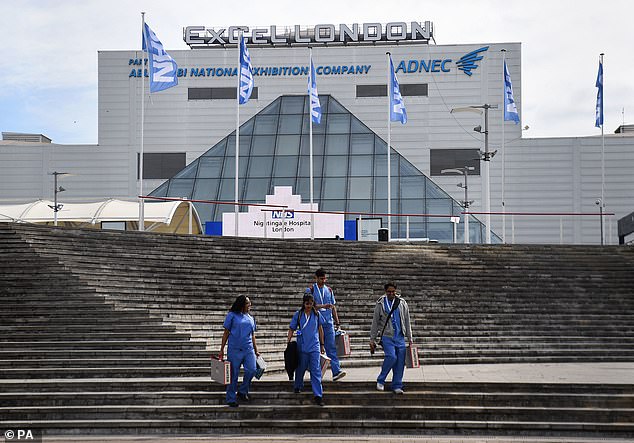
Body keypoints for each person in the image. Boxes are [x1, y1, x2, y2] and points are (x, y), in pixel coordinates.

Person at [369, 282, 413, 394]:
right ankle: (381, 379)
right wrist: (372, 338)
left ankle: (397, 385)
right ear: (385, 292)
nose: (391, 293)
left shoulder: (402, 303)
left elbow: (407, 321)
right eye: (389, 291)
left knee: (400, 362)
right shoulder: (380, 303)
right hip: (387, 336)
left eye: (393, 291)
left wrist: (410, 338)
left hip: (400, 336)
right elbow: (375, 322)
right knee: (391, 356)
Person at [306, 268, 347, 381]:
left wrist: (337, 322)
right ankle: (316, 373)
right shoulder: (310, 290)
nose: (323, 280)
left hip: (328, 322)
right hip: (315, 323)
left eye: (324, 278)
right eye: (321, 278)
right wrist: (323, 306)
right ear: (316, 278)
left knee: (331, 347)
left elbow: (333, 307)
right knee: (316, 348)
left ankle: (336, 371)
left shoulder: (329, 290)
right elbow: (308, 306)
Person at [219, 295, 260, 407]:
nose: (250, 305)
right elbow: (226, 333)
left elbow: (253, 335)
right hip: (234, 349)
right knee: (233, 374)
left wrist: (256, 350)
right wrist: (221, 349)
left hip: (248, 349)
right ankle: (231, 398)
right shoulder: (231, 315)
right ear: (242, 304)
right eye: (247, 303)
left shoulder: (251, 318)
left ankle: (242, 391)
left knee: (252, 370)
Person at [287, 293, 326, 406]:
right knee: (301, 368)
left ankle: (318, 395)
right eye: (307, 303)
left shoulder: (317, 314)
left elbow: (320, 329)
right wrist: (288, 342)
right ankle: (298, 385)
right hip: (302, 346)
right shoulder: (298, 315)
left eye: (310, 303)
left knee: (316, 370)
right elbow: (291, 328)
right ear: (303, 303)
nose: (309, 305)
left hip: (314, 346)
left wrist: (322, 344)